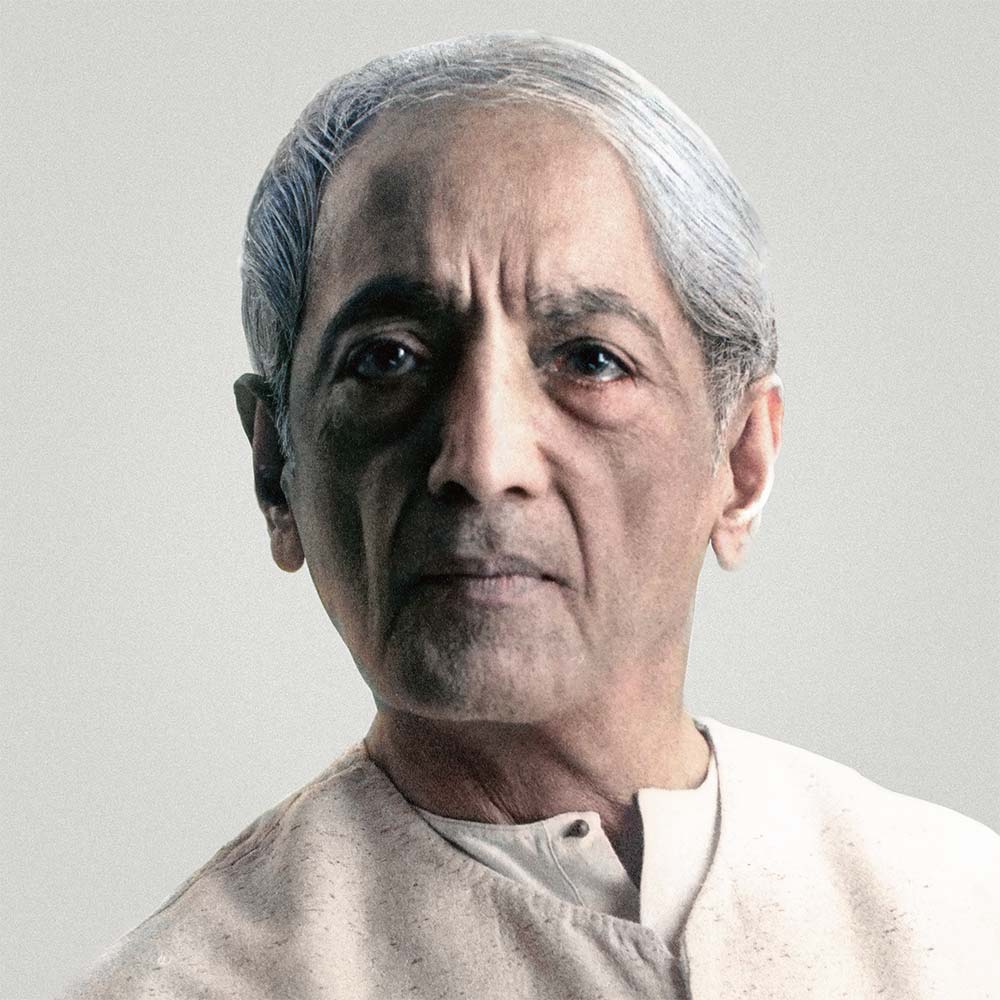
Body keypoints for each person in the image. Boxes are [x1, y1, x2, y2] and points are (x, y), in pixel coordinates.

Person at [60, 31, 999, 1000]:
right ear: (276, 471)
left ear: (742, 461)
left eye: (590, 359)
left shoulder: (963, 914)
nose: (482, 461)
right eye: (387, 359)